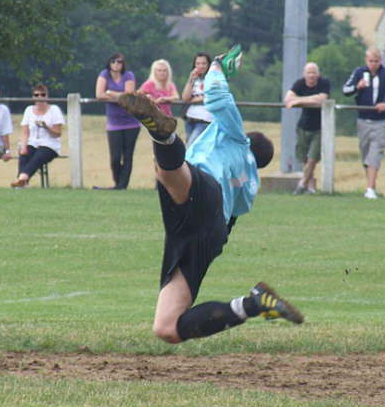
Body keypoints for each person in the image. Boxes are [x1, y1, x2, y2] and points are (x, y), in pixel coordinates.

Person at [117, 44, 303, 345]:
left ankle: (163, 135)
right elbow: (225, 225)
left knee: (168, 172)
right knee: (167, 327)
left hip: (205, 191)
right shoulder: (250, 186)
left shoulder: (235, 137)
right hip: (212, 230)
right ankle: (254, 303)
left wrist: (216, 67)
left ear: (247, 140)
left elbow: (218, 98)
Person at [343, 47, 385, 199]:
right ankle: (370, 186)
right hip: (363, 120)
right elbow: (345, 90)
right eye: (371, 61)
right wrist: (356, 87)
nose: (373, 64)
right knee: (366, 154)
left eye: (376, 61)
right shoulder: (359, 72)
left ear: (381, 61)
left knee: (375, 153)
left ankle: (370, 188)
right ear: (366, 61)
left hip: (380, 121)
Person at [95, 53, 141, 190]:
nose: (116, 64)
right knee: (115, 157)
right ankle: (118, 182)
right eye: (113, 61)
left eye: (119, 62)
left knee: (128, 156)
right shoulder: (104, 74)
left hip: (131, 122)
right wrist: (120, 96)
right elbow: (99, 94)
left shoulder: (128, 75)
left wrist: (111, 93)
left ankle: (122, 185)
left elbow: (129, 95)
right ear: (109, 63)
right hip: (114, 123)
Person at [284, 62, 330, 194]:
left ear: (318, 74)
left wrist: (298, 100)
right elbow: (288, 99)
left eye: (314, 72)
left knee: (313, 157)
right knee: (304, 158)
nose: (311, 75)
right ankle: (310, 187)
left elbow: (322, 99)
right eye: (309, 72)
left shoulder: (324, 83)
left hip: (320, 126)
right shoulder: (299, 84)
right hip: (303, 126)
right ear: (304, 74)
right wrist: (310, 99)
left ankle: (302, 184)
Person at [11, 84, 65, 188]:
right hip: (32, 142)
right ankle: (23, 183)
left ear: (47, 96)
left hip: (50, 145)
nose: (40, 97)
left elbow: (58, 133)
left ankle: (21, 178)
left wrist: (46, 127)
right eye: (37, 95)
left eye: (43, 94)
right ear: (33, 97)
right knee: (25, 152)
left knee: (38, 156)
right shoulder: (28, 110)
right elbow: (25, 132)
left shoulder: (54, 110)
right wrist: (23, 146)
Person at [181, 52, 215, 147]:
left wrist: (192, 100)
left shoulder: (213, 79)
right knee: (192, 148)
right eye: (198, 63)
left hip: (205, 120)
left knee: (190, 148)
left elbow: (208, 97)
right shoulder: (194, 79)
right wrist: (191, 79)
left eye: (203, 63)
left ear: (208, 65)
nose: (200, 66)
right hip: (190, 119)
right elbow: (185, 97)